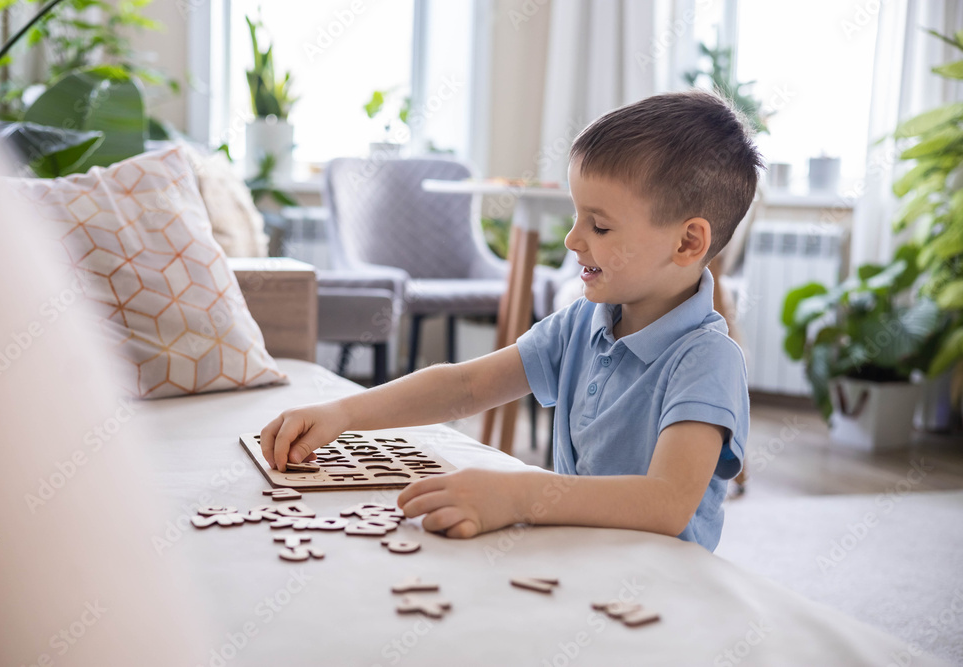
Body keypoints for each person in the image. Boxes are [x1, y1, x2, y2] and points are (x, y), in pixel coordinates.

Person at [260, 90, 763, 552]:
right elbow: (464, 386)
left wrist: (519, 495)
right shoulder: (581, 322)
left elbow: (666, 503)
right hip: (580, 562)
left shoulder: (708, 360)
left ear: (687, 242)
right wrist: (344, 414)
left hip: (662, 587)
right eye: (576, 217)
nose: (572, 240)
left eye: (600, 226)